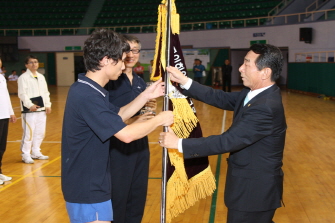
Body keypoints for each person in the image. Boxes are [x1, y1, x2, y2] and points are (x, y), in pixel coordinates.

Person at [160, 44, 286, 223]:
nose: (240, 68)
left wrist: (179, 143)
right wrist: (184, 81)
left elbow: (228, 141)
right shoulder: (254, 94)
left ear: (265, 72)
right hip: (250, 189)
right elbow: (220, 98)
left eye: (247, 64)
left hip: (253, 193)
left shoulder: (265, 107)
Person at [61, 29, 173, 223]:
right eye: (121, 60)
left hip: (97, 184)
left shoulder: (92, 90)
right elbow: (126, 134)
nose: (123, 66)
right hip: (87, 188)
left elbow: (118, 115)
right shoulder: (86, 95)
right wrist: (160, 119)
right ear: (106, 60)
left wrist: (146, 95)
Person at [105, 34, 155, 223]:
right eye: (127, 50)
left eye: (135, 50)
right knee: (119, 195)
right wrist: (137, 117)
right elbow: (109, 118)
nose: (131, 54)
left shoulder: (140, 82)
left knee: (137, 194)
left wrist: (149, 111)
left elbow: (142, 112)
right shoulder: (111, 81)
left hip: (140, 145)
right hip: (118, 146)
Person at [18, 55, 52, 164]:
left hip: (41, 110)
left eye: (36, 62)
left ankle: (36, 151)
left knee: (40, 132)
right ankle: (25, 154)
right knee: (29, 133)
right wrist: (30, 105)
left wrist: (48, 104)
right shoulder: (23, 78)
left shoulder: (41, 77)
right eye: (31, 62)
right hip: (29, 111)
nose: (34, 64)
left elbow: (46, 92)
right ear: (26, 65)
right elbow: (22, 94)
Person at [0, 58, 17, 185]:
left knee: (2, 147)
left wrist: (10, 112)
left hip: (4, 115)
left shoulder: (1, 77)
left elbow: (6, 96)